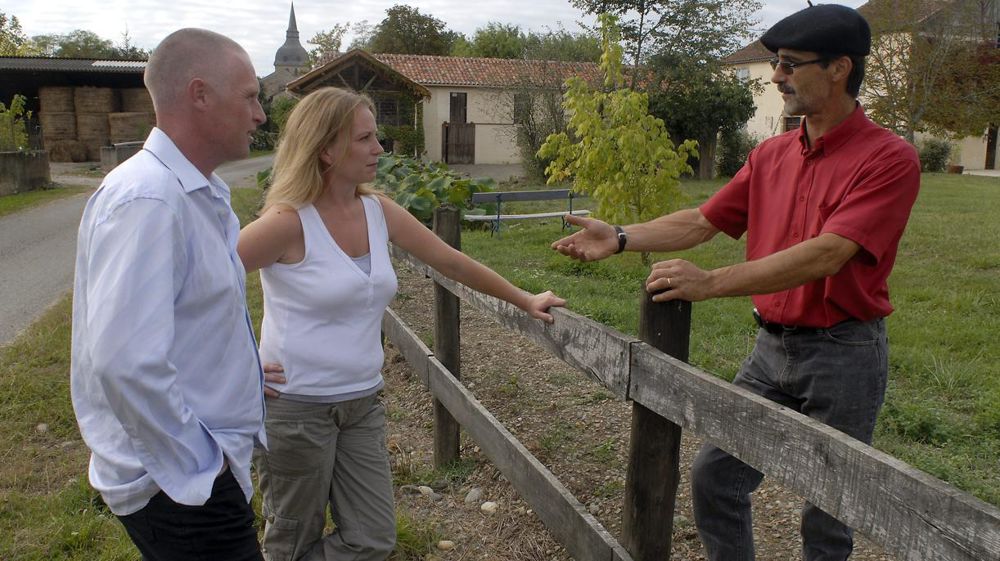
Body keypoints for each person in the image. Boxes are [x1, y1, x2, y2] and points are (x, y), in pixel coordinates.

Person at [551, 5, 920, 561]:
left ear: (840, 67)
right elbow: (704, 221)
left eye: (791, 64)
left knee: (831, 509)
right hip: (770, 348)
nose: (776, 76)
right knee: (716, 478)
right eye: (776, 63)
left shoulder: (889, 158)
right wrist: (623, 236)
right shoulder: (770, 154)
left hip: (845, 351)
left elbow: (829, 254)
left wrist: (712, 282)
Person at [238, 86, 565, 561]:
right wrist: (236, 363)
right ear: (326, 149)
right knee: (291, 541)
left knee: (372, 539)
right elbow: (198, 288)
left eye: (377, 137)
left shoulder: (377, 211)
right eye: (365, 139)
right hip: (295, 410)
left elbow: (451, 261)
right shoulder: (287, 223)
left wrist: (522, 298)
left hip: (362, 404)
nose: (379, 149)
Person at [70, 29, 267, 561]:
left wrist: (241, 373)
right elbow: (124, 362)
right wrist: (200, 466)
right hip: (180, 485)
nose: (261, 115)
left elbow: (192, 323)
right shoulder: (150, 200)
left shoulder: (198, 192)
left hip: (191, 475)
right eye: (249, 96)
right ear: (199, 94)